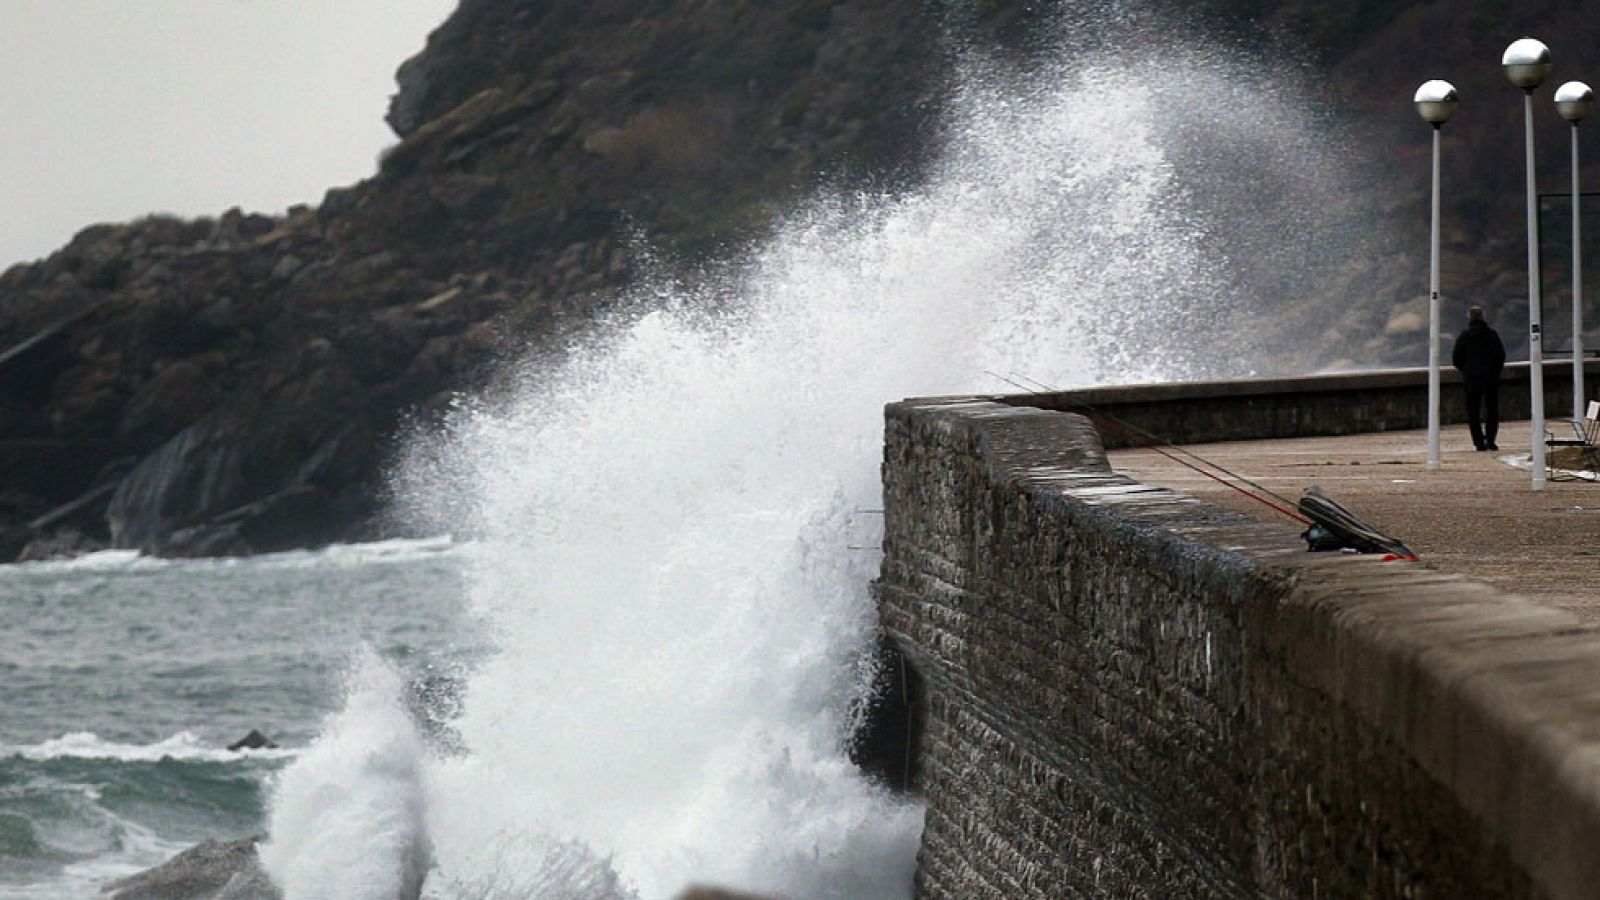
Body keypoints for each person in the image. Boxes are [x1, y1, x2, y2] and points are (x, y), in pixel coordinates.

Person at [1452, 305, 1506, 451]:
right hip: (1490, 379)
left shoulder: (1464, 337)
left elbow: (1456, 359)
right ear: (1483, 317)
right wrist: (1495, 373)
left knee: (1473, 412)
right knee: (1492, 410)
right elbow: (1500, 356)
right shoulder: (1491, 335)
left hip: (1471, 380)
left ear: (1469, 317)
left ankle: (1479, 442)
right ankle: (1490, 440)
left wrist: (1467, 371)